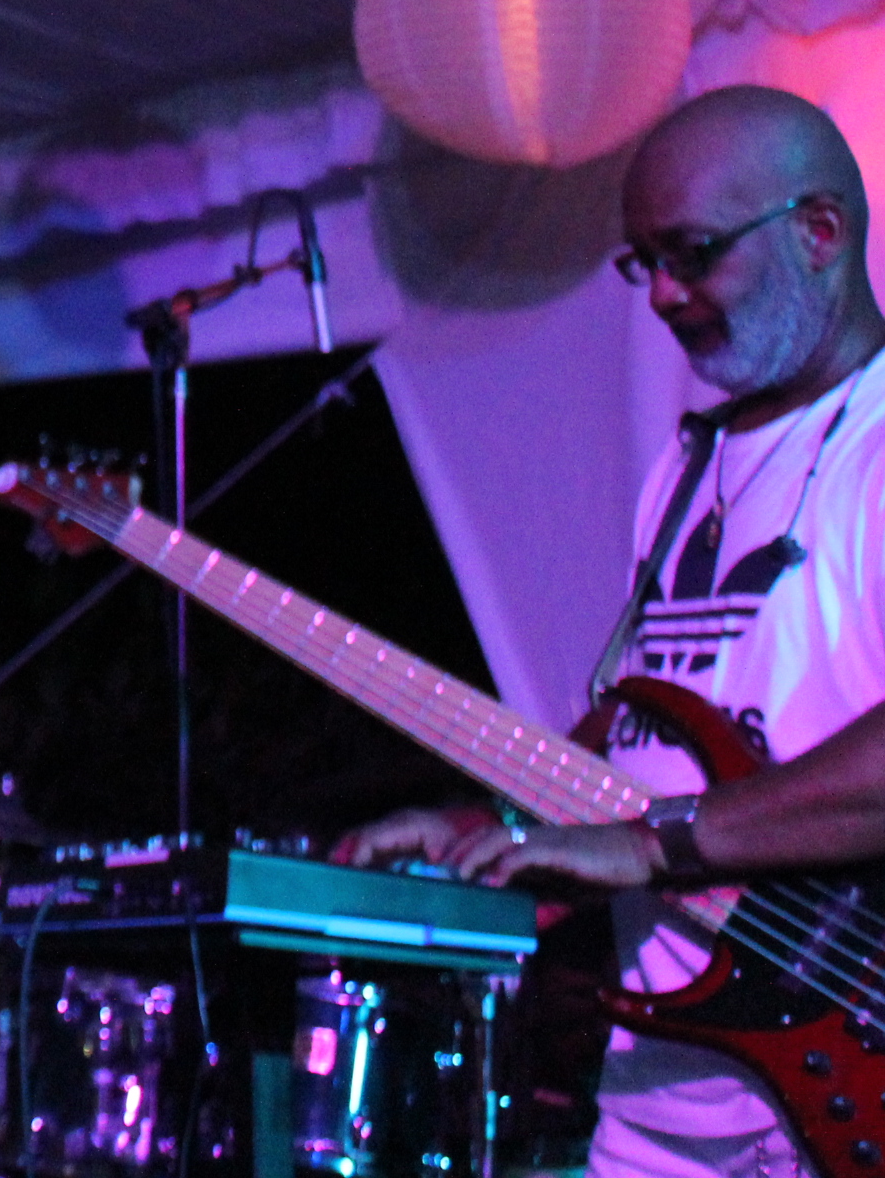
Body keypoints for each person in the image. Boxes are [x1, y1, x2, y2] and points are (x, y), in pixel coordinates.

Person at [341, 85, 885, 1178]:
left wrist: (654, 843)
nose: (666, 296)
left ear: (820, 231)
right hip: (662, 1081)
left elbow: (666, 819)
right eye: (645, 264)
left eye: (694, 253)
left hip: (839, 1070)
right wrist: (497, 829)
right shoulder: (683, 472)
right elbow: (651, 742)